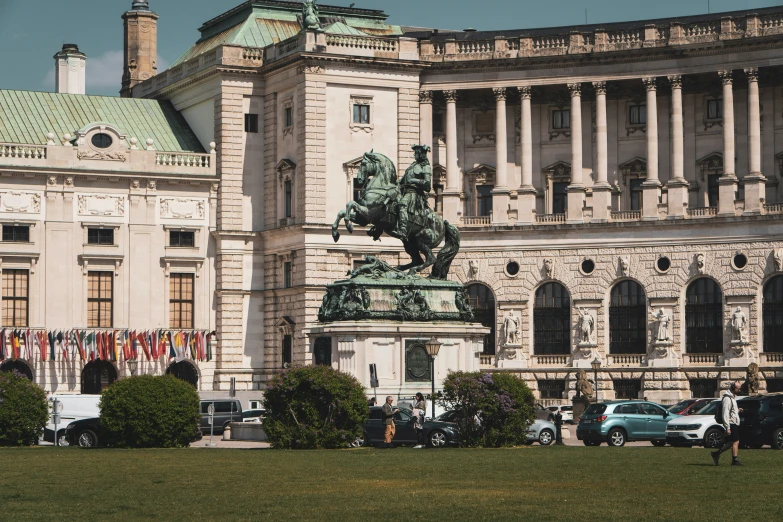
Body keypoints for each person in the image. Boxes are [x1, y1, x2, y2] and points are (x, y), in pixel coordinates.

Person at [395, 145, 432, 239]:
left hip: (414, 193)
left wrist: (414, 181)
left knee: (402, 204)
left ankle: (403, 229)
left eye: (416, 153)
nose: (414, 154)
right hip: (404, 190)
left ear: (420, 154)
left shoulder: (426, 167)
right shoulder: (412, 165)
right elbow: (403, 179)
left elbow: (427, 186)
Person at [712, 381, 744, 466]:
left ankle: (716, 454)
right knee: (736, 441)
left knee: (731, 442)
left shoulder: (732, 397)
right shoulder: (727, 398)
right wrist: (727, 427)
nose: (739, 390)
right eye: (738, 388)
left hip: (733, 422)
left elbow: (731, 411)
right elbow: (725, 413)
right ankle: (734, 460)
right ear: (734, 388)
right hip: (731, 423)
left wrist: (737, 410)